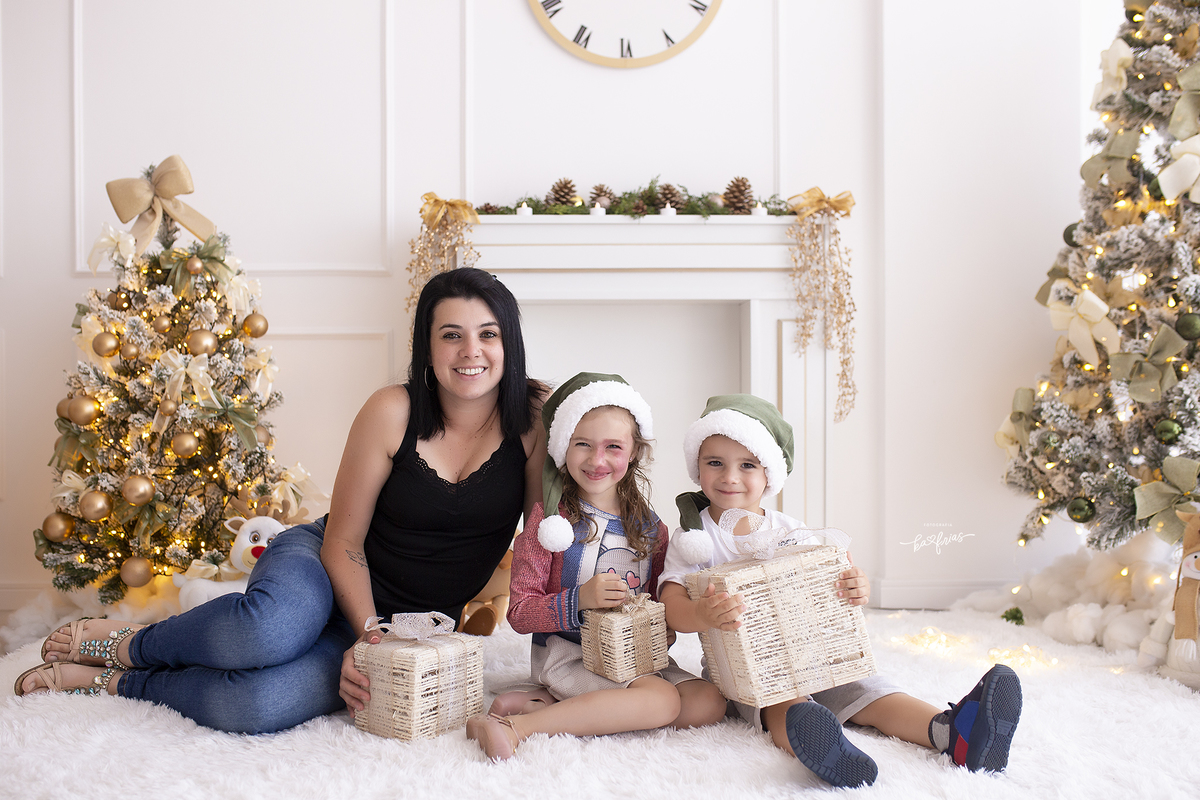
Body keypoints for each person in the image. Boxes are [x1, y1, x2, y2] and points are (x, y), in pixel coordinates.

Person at [16, 267, 547, 735]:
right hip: (325, 565)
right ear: (427, 348)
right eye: (451, 335)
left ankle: (119, 683)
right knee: (266, 632)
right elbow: (343, 540)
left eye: (488, 334)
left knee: (259, 704)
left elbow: (547, 543)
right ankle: (134, 645)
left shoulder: (534, 423)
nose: (471, 351)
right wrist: (368, 635)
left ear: (510, 342)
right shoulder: (393, 410)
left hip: (412, 629)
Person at [658, 394, 1023, 788]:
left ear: (769, 474)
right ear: (697, 467)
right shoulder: (694, 538)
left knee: (866, 688)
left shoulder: (790, 530)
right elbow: (671, 603)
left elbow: (827, 583)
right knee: (780, 700)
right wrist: (702, 614)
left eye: (747, 465)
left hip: (811, 650)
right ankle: (823, 746)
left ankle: (951, 732)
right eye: (715, 463)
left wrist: (852, 586)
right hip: (748, 670)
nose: (730, 477)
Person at [465, 373, 727, 760]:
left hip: (632, 657)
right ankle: (517, 727)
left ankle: (551, 705)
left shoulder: (652, 530)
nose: (596, 460)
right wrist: (580, 599)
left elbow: (657, 607)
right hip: (570, 655)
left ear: (634, 451)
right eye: (582, 444)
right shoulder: (549, 525)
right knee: (661, 701)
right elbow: (519, 613)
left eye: (613, 447)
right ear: (563, 447)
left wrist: (664, 628)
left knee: (708, 701)